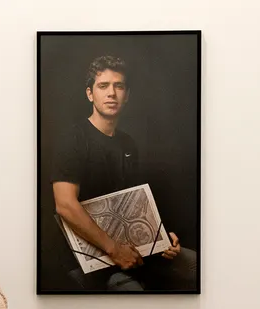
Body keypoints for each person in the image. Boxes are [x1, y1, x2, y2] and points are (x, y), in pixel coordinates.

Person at [50, 55, 197, 291]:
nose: (111, 93)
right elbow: (65, 205)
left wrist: (160, 237)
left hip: (130, 247)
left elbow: (133, 205)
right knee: (135, 295)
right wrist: (115, 250)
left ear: (127, 95)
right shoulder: (73, 140)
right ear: (90, 94)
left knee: (197, 266)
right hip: (92, 259)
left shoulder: (127, 143)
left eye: (118, 86)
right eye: (103, 86)